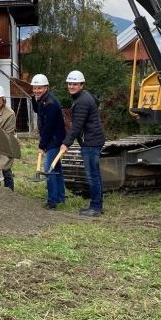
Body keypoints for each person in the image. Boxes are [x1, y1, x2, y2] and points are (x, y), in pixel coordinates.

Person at [60, 70, 105, 217]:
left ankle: (95, 208)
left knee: (92, 175)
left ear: (81, 85)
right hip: (93, 140)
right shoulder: (84, 97)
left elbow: (77, 126)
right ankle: (97, 205)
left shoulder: (82, 101)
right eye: (70, 84)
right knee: (95, 174)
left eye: (75, 84)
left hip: (91, 142)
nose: (71, 86)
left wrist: (66, 143)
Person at [30, 74, 66, 209]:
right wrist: (33, 98)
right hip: (53, 138)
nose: (37, 90)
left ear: (46, 88)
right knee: (56, 169)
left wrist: (42, 145)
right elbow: (36, 110)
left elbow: (48, 127)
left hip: (54, 139)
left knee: (49, 169)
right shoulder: (42, 100)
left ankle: (52, 201)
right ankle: (60, 197)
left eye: (39, 88)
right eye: (35, 88)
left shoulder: (51, 103)